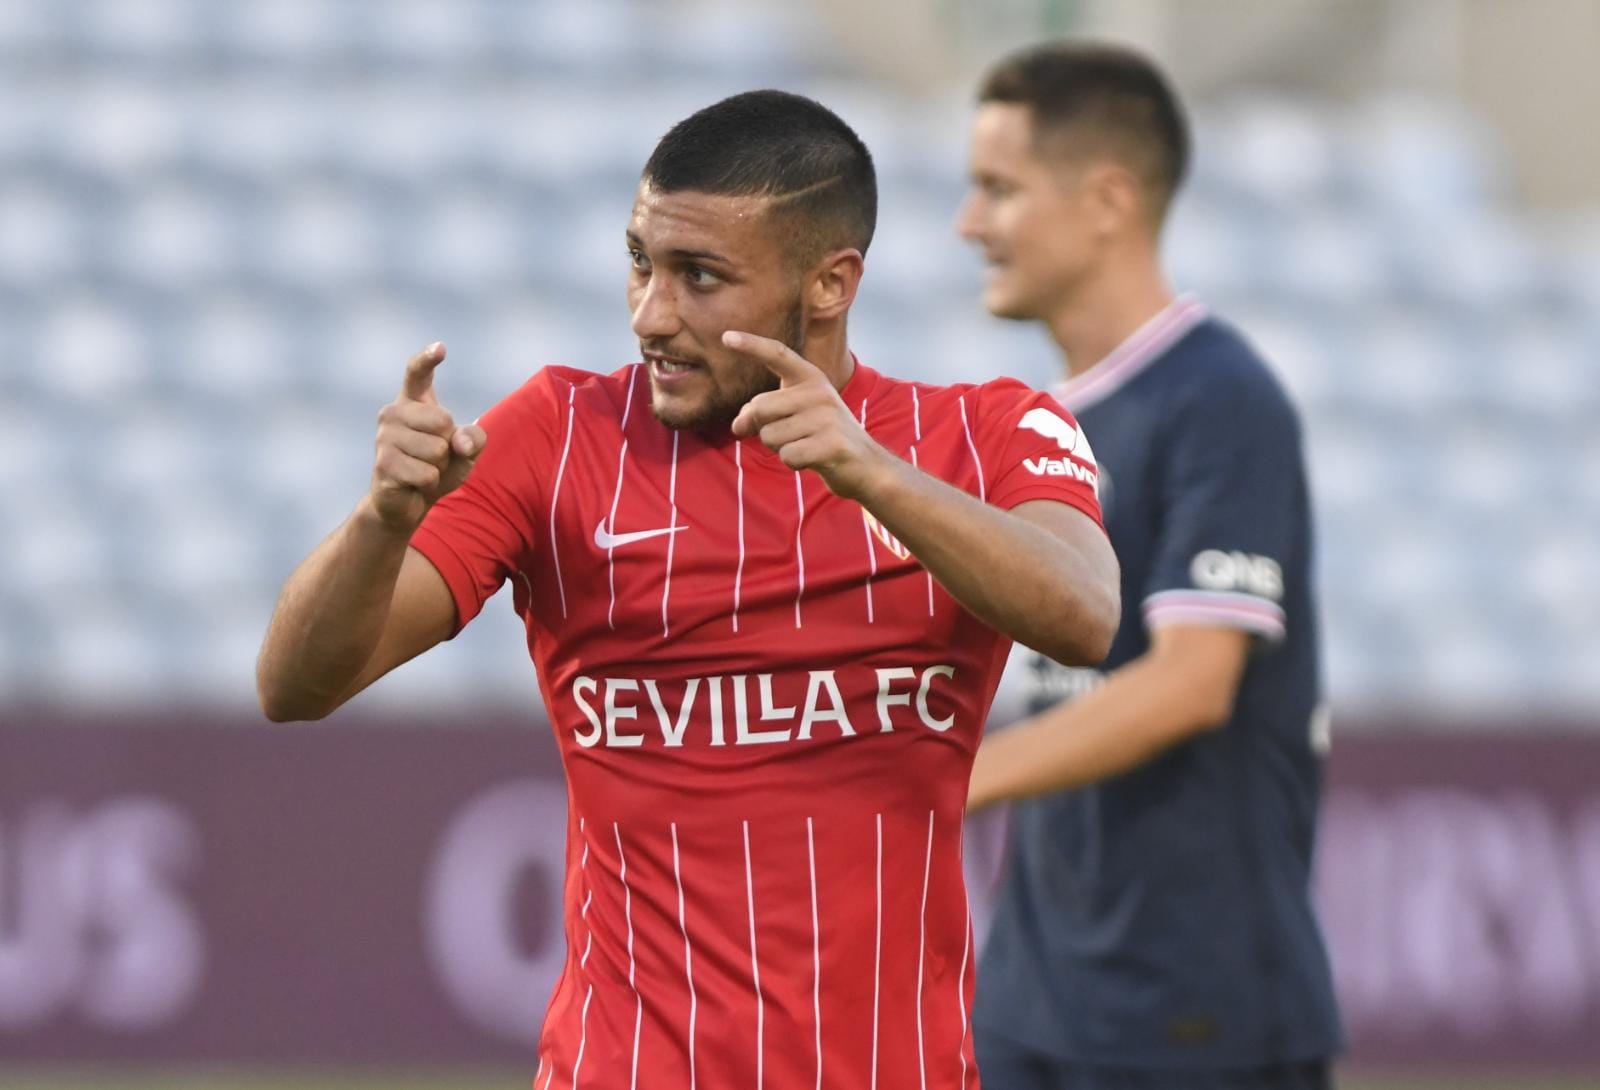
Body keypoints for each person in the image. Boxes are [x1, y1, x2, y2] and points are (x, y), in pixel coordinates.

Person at [257, 90, 1119, 1088]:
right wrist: (380, 523)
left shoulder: (985, 434)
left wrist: (869, 471)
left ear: (830, 284)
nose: (650, 315)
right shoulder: (555, 434)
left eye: (699, 277)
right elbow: (295, 686)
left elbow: (1085, 613)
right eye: (640, 261)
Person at [955, 42, 1343, 1090]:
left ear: (1106, 201)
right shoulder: (1025, 426)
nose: (968, 223)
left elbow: (1191, 681)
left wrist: (951, 781)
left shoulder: (1216, 397)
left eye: (999, 188)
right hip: (1033, 999)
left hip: (1192, 1011)